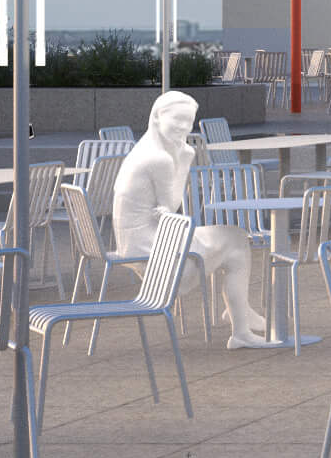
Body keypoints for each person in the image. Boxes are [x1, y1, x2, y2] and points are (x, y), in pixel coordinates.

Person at [112, 89, 274, 349]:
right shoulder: (160, 158)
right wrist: (186, 160)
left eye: (188, 121)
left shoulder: (142, 150)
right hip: (156, 257)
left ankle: (240, 313)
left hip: (137, 245)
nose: (184, 127)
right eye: (178, 119)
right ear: (156, 117)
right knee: (236, 242)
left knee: (236, 237)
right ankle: (240, 326)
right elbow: (172, 204)